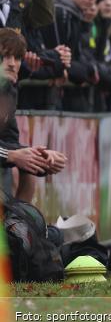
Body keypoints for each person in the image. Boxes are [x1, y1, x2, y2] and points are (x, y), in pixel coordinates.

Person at [0, 28, 67, 202]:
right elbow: (11, 151)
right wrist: (12, 155)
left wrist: (38, 157)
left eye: (17, 58)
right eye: (4, 57)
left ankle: (19, 225)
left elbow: (10, 141)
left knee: (27, 163)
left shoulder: (8, 91)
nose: (12, 64)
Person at [43, 0, 103, 112]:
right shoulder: (61, 12)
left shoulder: (75, 13)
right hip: (50, 96)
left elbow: (79, 55)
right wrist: (87, 70)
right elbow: (62, 60)